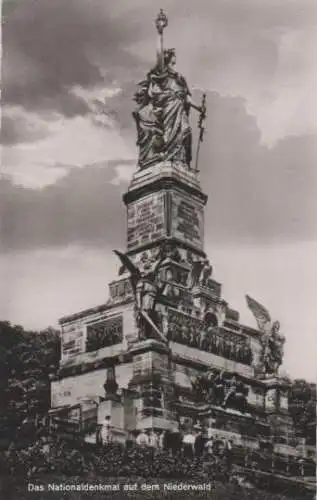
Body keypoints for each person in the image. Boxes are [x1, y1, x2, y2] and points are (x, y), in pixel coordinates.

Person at [133, 48, 202, 169]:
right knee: (170, 134)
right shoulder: (163, 74)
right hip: (169, 108)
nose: (175, 57)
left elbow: (186, 97)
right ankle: (170, 157)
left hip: (179, 108)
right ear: (169, 58)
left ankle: (180, 160)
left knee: (186, 132)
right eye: (173, 55)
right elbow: (159, 54)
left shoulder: (180, 78)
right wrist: (160, 34)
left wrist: (199, 108)